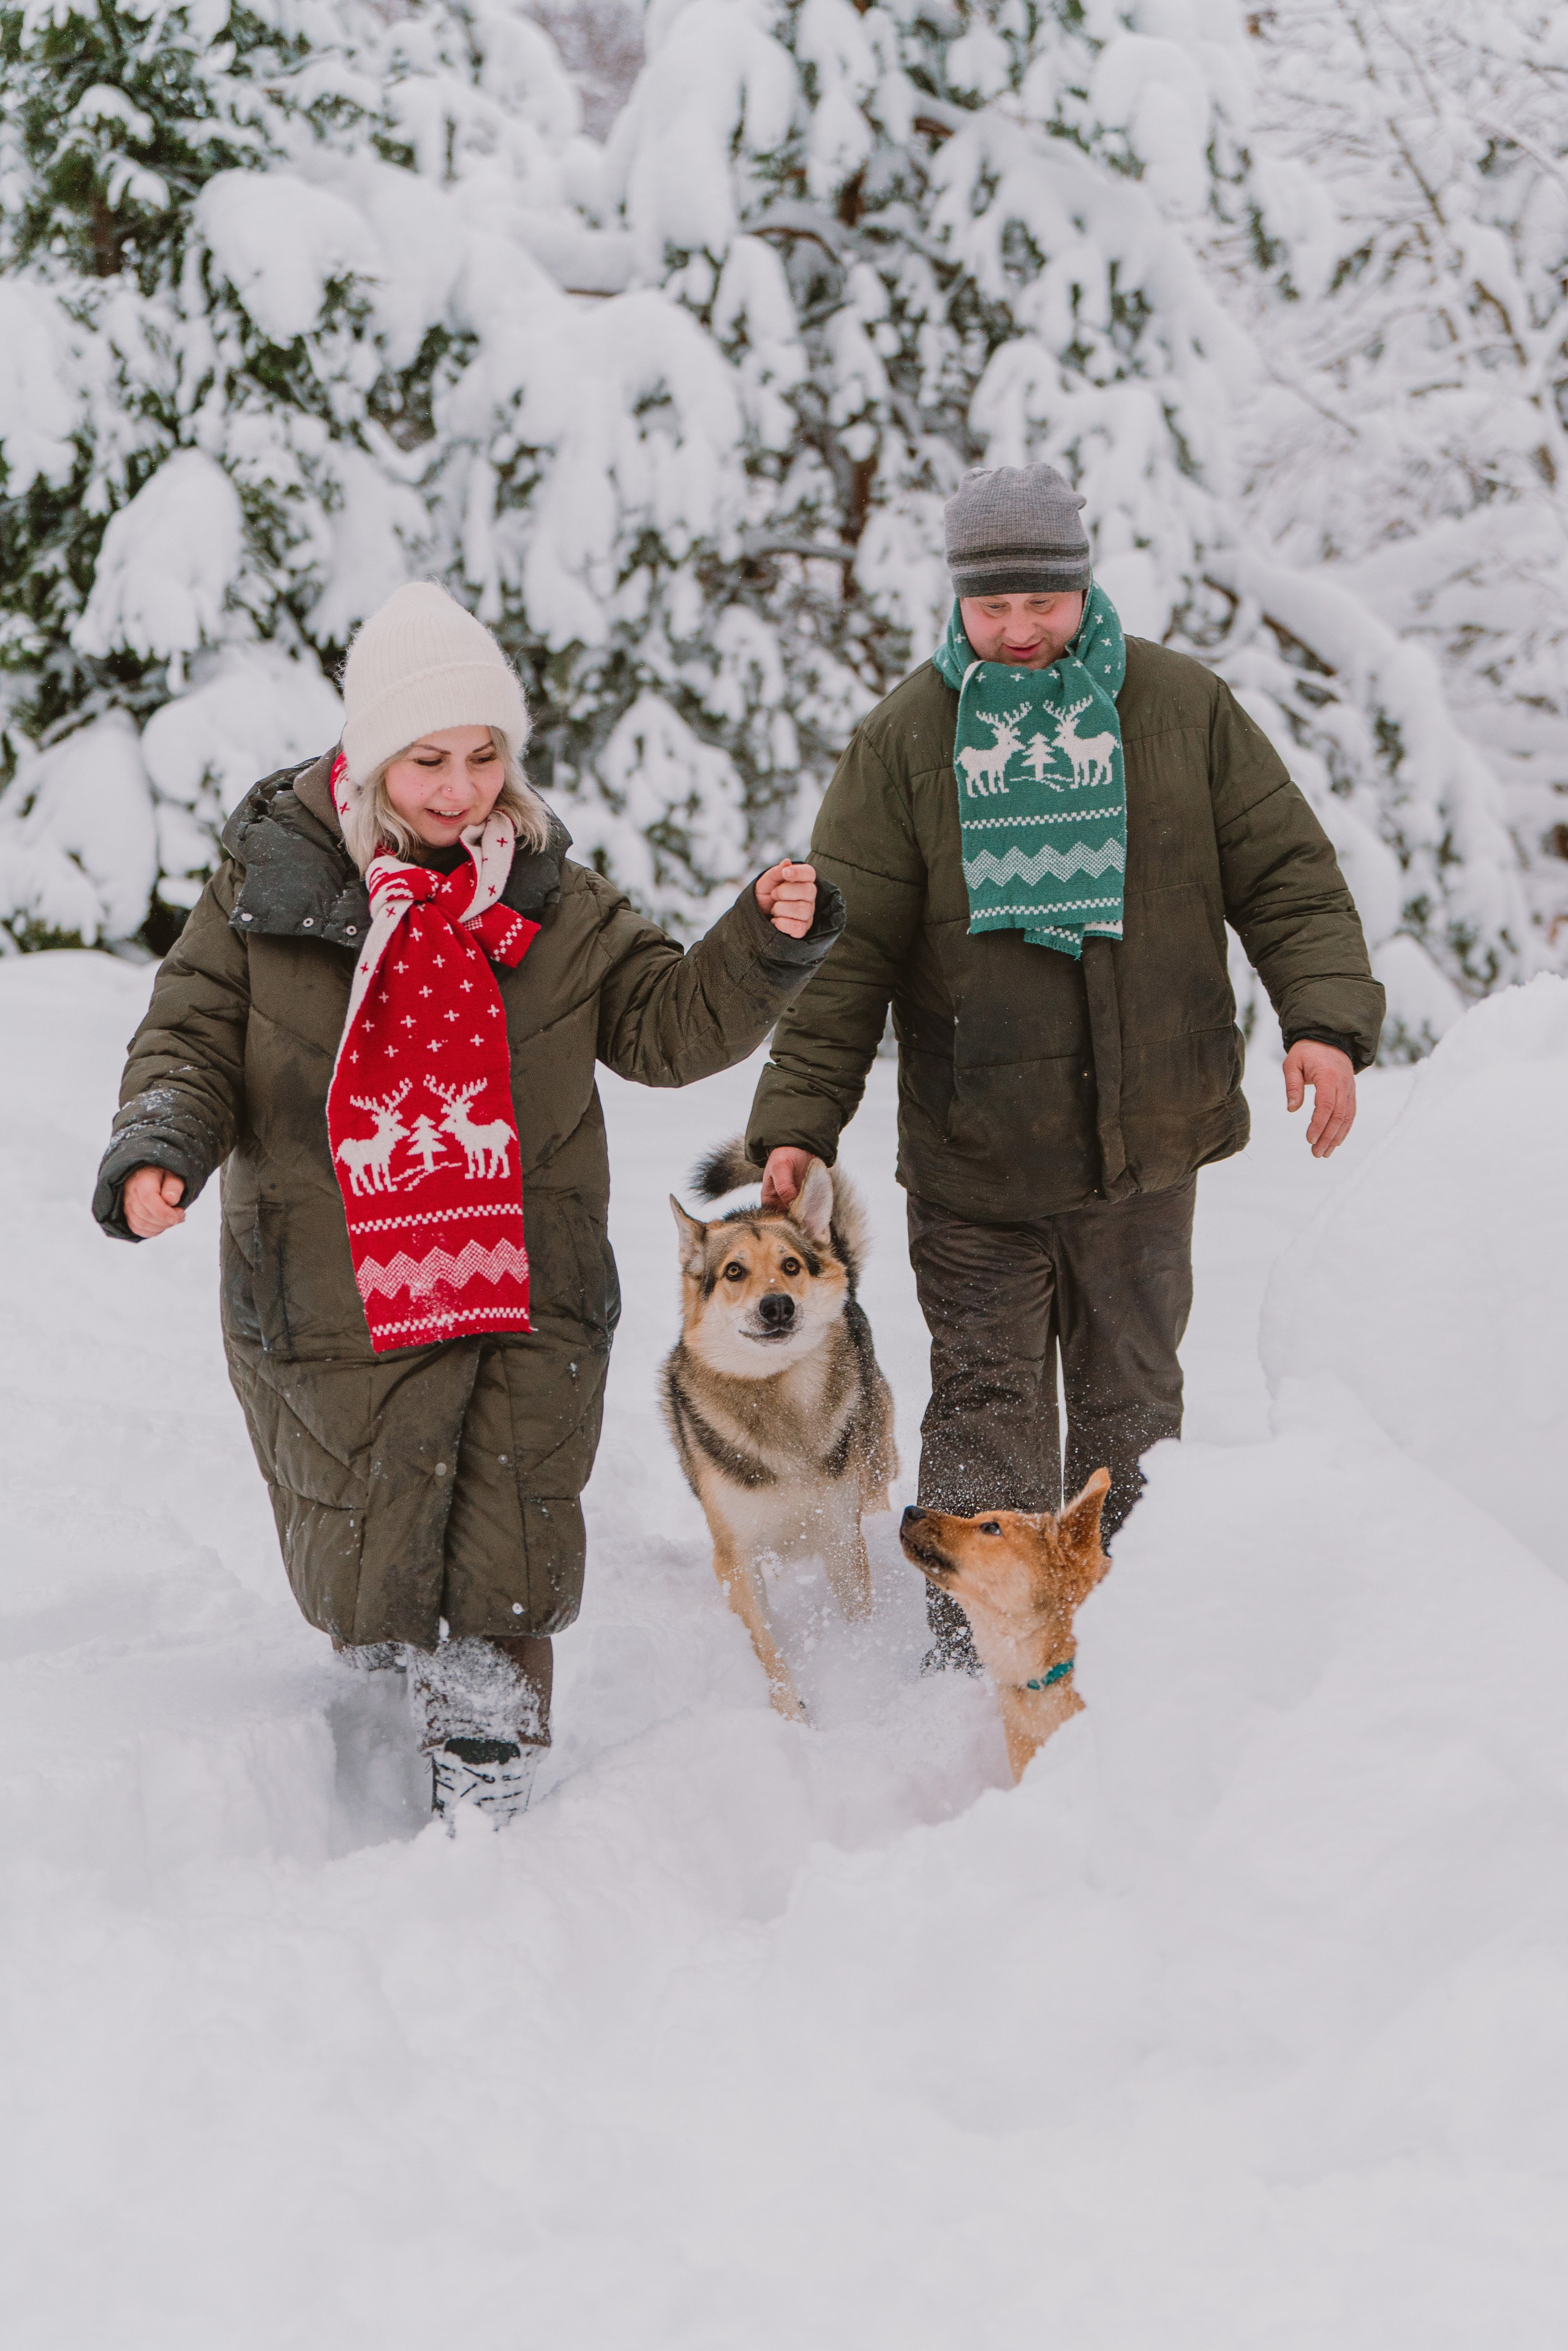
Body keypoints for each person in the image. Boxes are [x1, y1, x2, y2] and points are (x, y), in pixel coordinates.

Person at [94, 582, 840, 1820]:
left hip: (520, 1277)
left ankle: (489, 1786)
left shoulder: (549, 894)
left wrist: (757, 943)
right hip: (336, 1278)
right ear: (371, 756)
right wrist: (158, 1145)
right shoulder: (271, 888)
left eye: (483, 755)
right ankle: (374, 1718)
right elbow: (191, 1035)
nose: (459, 789)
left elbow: (662, 1025)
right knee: (371, 1547)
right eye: (427, 759)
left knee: (508, 1545)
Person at [744, 464, 1385, 1669]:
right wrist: (798, 1118)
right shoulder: (904, 740)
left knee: (1132, 1412)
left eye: (1042, 602)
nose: (1021, 630)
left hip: (1148, 1144)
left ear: (1082, 587)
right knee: (987, 1413)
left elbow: (1283, 873)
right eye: (994, 609)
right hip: (975, 1155)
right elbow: (845, 953)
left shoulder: (1178, 708)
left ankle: (1129, 1646)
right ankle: (968, 1656)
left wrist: (1322, 1021)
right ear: (957, 603)